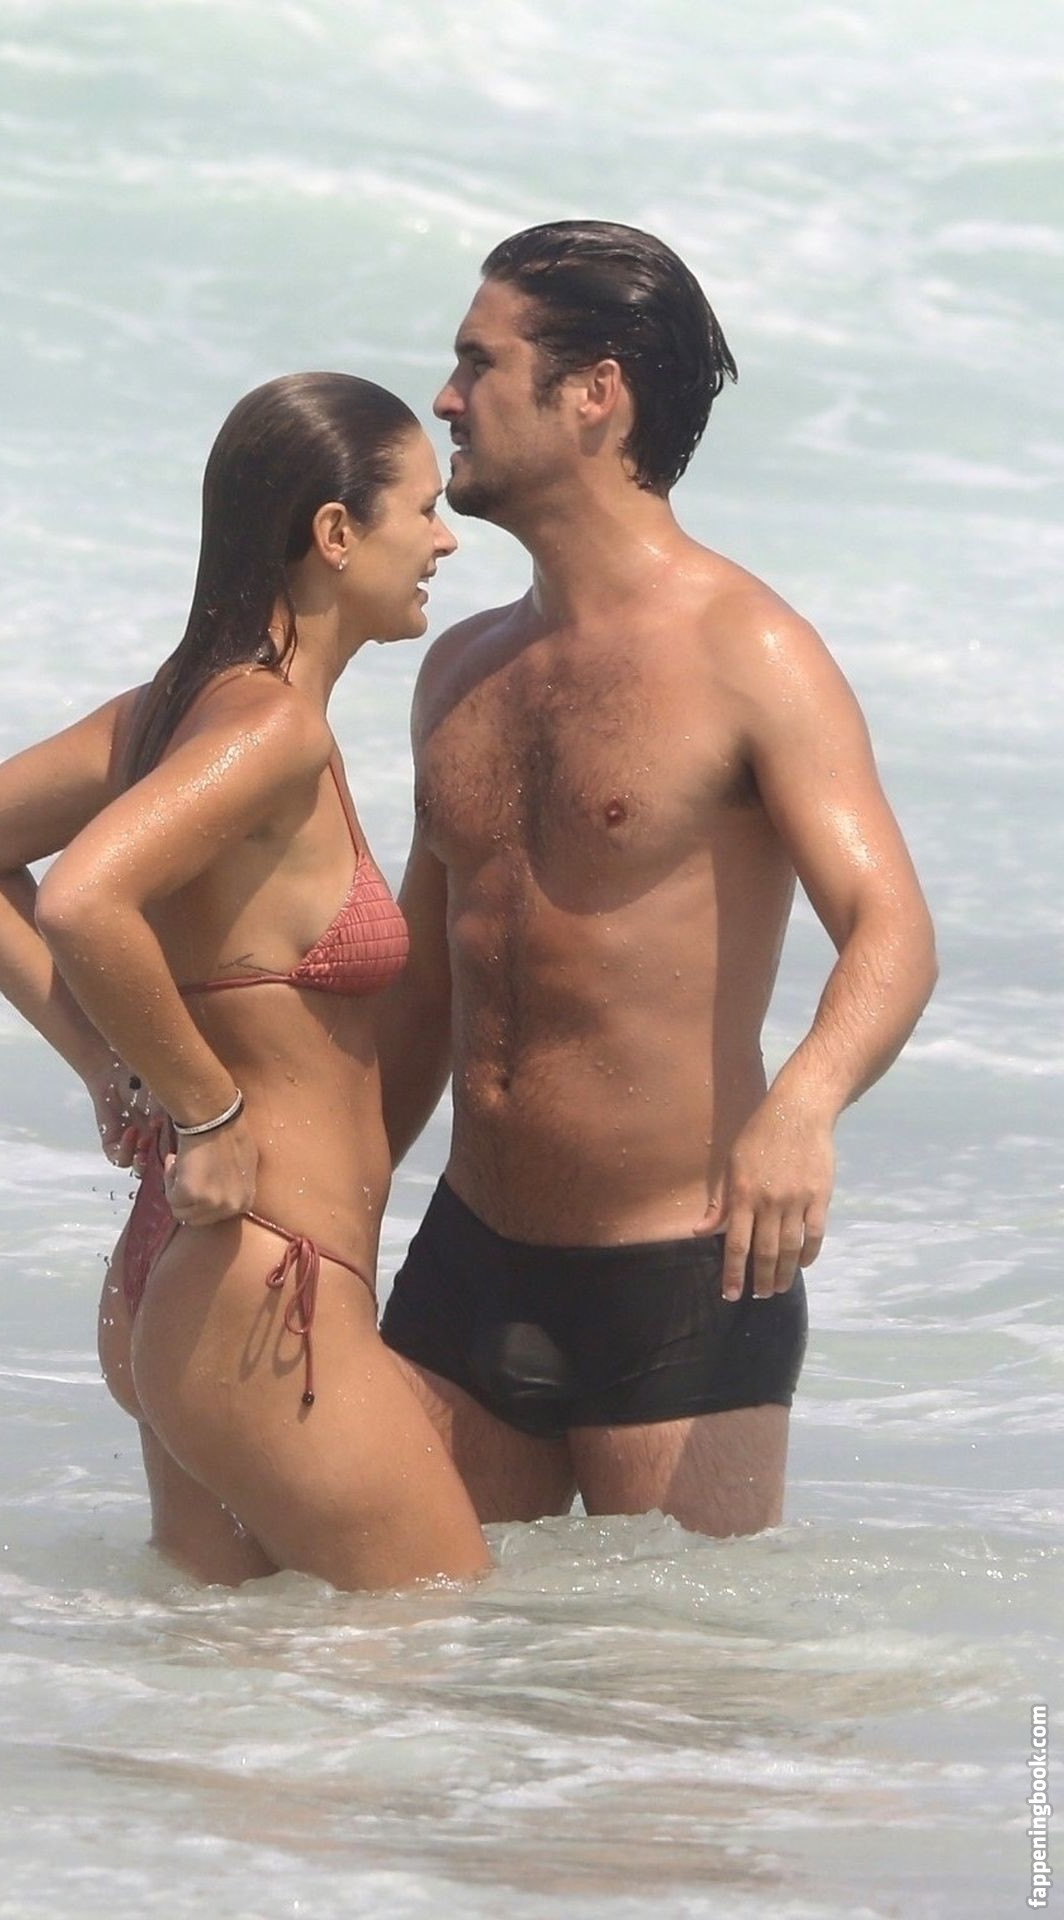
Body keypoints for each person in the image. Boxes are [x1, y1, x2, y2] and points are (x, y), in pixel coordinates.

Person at [377, 222, 938, 1538]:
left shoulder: (748, 651)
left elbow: (890, 928)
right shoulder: (459, 669)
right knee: (413, 1656)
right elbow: (420, 995)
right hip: (465, 1262)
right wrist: (331, 1217)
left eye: (478, 363)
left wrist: (802, 1109)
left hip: (679, 1278)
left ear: (594, 391)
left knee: (676, 1664)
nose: (446, 400)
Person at [0, 372, 490, 1592]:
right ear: (334, 533)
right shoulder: (270, 729)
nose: (442, 542)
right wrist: (201, 1107)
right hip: (264, 1284)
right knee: (434, 1637)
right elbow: (80, 899)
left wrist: (109, 1064)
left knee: (235, 1676)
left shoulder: (166, 715)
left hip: (187, 1270)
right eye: (421, 511)